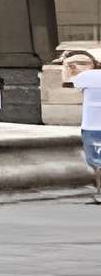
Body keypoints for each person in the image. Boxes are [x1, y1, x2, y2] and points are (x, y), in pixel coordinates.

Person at [62, 49, 101, 199]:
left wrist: (67, 66)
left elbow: (65, 82)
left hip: (91, 127)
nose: (77, 66)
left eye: (82, 63)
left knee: (97, 162)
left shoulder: (85, 77)